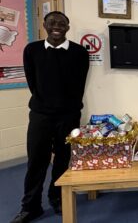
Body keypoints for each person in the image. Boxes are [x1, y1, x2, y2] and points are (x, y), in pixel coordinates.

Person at [11, 11, 89, 223]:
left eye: (62, 23)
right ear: (44, 25)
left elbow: (79, 85)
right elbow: (32, 82)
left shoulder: (79, 52)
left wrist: (68, 108)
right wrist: (45, 103)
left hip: (69, 116)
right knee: (36, 161)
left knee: (63, 161)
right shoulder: (32, 50)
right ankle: (30, 207)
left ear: (68, 27)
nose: (57, 26)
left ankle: (57, 199)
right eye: (52, 22)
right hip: (40, 116)